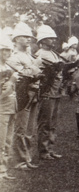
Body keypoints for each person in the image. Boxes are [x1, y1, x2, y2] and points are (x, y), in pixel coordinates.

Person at [6, 22, 41, 171]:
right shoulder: (13, 57)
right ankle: (19, 160)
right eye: (25, 37)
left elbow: (36, 73)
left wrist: (33, 71)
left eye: (30, 37)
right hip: (22, 94)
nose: (29, 39)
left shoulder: (29, 55)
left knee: (30, 129)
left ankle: (27, 158)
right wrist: (33, 71)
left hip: (33, 93)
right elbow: (25, 75)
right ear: (16, 39)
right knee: (20, 127)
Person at [34, 25, 65, 160]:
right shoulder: (40, 55)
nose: (53, 40)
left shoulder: (53, 53)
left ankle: (50, 148)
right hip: (47, 92)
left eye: (53, 38)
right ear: (43, 40)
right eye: (50, 38)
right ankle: (43, 150)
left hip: (56, 91)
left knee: (53, 123)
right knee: (45, 123)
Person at [0, 33, 17, 180]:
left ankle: (4, 169)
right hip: (2, 108)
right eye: (4, 50)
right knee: (1, 139)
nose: (7, 53)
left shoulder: (7, 66)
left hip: (11, 107)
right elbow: (2, 93)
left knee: (8, 140)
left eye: (8, 50)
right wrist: (11, 81)